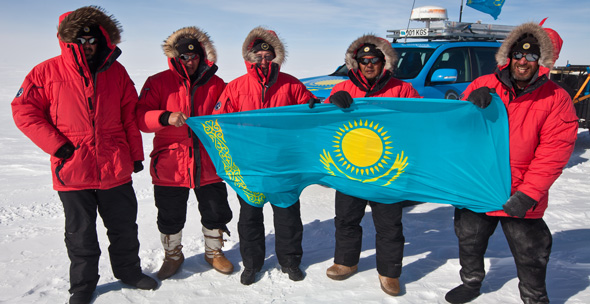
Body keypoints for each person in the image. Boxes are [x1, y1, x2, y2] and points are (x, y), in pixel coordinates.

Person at [11, 6, 157, 304]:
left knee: (124, 227)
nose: (87, 45)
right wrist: (57, 146)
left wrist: (135, 154)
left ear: (102, 40)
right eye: (81, 39)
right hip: (73, 168)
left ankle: (129, 272)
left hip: (115, 165)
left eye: (92, 40)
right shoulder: (45, 72)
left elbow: (128, 114)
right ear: (68, 40)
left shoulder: (116, 71)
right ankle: (82, 286)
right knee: (80, 234)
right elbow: (24, 111)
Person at [444, 22, 578, 304]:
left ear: (542, 62)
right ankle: (471, 282)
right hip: (478, 186)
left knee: (532, 252)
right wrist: (469, 103)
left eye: (531, 57)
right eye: (518, 55)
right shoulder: (483, 84)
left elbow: (554, 152)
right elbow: (454, 128)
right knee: (469, 240)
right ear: (508, 56)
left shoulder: (557, 98)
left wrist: (529, 193)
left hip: (521, 192)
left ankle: (534, 297)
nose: (523, 61)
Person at [310, 34, 421, 296]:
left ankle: (389, 271)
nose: (369, 65)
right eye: (364, 60)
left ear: (385, 62)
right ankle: (346, 261)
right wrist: (330, 105)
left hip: (387, 169)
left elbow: (420, 122)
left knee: (389, 225)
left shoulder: (402, 89)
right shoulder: (342, 89)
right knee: (347, 219)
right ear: (356, 63)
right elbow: (323, 124)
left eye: (375, 60)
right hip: (350, 167)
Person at [213, 26, 318, 285]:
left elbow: (312, 111)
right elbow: (217, 122)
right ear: (249, 57)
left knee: (288, 217)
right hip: (250, 166)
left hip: (284, 164)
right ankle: (252, 263)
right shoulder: (236, 87)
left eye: (267, 54)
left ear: (276, 56)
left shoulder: (292, 84)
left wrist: (327, 104)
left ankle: (290, 261)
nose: (263, 59)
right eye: (257, 54)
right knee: (250, 217)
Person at [136, 26, 234, 280]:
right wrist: (165, 117)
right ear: (175, 58)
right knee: (170, 215)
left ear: (202, 56)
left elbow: (232, 114)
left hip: (209, 161)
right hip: (171, 163)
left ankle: (214, 252)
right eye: (184, 58)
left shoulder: (217, 84)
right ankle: (172, 255)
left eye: (194, 57)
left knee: (215, 210)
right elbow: (141, 119)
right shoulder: (157, 83)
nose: (190, 62)